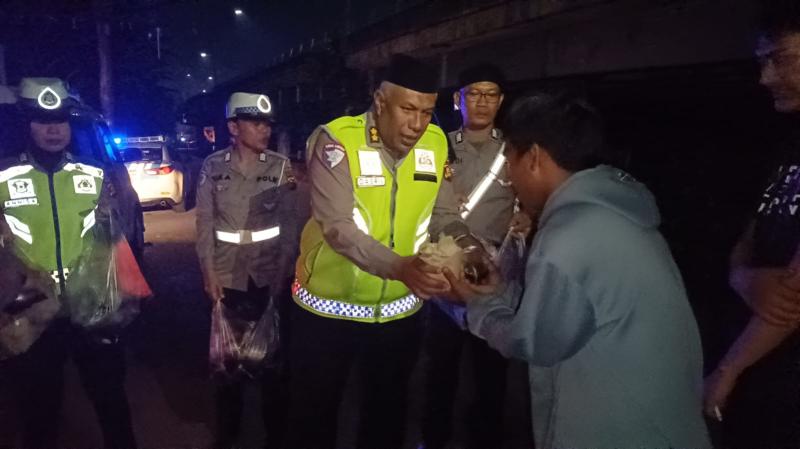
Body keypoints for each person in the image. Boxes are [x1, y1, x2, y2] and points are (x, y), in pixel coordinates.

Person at [445, 93, 711, 449]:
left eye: (510, 157)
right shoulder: (615, 213)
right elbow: (569, 313)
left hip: (618, 431)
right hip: (659, 423)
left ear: (534, 157)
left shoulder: (569, 234)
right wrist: (501, 292)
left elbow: (535, 342)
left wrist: (473, 305)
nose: (509, 175)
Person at [283, 54, 480, 449]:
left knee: (386, 418)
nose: (418, 124)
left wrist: (471, 249)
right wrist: (399, 267)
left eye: (426, 112)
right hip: (326, 313)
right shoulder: (338, 141)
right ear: (379, 102)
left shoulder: (436, 142)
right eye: (408, 109)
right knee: (314, 419)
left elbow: (443, 212)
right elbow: (337, 226)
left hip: (399, 317)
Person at [0, 78, 137, 449]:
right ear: (26, 124)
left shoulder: (93, 174)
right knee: (39, 414)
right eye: (43, 121)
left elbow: (115, 241)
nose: (53, 130)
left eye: (59, 120)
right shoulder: (4, 176)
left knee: (112, 402)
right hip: (34, 312)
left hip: (89, 307)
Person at [703, 2, 800, 446]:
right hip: (760, 364)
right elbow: (750, 233)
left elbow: (793, 296)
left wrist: (728, 370)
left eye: (781, 59)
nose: (765, 78)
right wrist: (744, 276)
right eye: (763, 61)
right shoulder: (789, 143)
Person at [422, 63, 530, 449]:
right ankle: (433, 439)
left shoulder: (514, 148)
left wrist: (527, 216)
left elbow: (532, 195)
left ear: (500, 102)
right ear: (458, 99)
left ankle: (484, 439)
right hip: (448, 276)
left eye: (490, 94)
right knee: (440, 369)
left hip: (494, 278)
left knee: (491, 372)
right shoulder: (437, 146)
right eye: (473, 93)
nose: (482, 102)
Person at [195, 92, 297, 449]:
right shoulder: (213, 167)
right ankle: (229, 435)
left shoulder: (280, 167)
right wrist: (208, 272)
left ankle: (276, 436)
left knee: (273, 366)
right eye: (256, 122)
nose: (264, 129)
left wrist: (283, 275)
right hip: (227, 280)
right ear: (233, 127)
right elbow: (205, 226)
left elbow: (289, 227)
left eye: (267, 123)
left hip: (267, 279)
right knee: (228, 367)